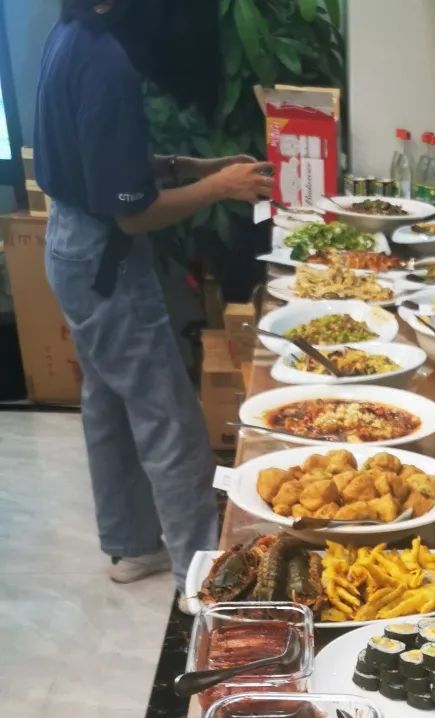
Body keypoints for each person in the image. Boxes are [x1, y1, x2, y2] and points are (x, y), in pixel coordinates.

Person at [34, 0, 274, 586]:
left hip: (70, 243)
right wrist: (220, 187)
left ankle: (134, 545)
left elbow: (106, 164)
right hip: (104, 257)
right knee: (167, 414)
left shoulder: (70, 32)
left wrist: (193, 167)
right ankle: (202, 575)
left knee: (109, 404)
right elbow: (133, 214)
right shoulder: (106, 61)